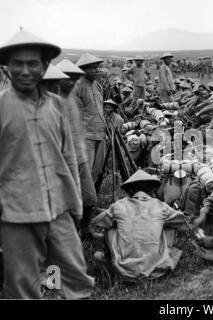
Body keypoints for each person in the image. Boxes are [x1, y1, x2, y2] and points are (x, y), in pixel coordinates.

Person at [0, 28, 94, 299]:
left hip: (59, 209)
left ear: (44, 67)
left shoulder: (56, 106)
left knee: (77, 277)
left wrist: (75, 202)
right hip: (17, 213)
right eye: (17, 64)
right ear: (7, 67)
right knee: (23, 286)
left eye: (33, 63)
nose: (25, 71)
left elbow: (68, 158)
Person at [90, 170, 187, 279]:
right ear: (151, 190)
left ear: (130, 190)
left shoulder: (119, 205)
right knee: (170, 224)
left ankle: (108, 257)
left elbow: (97, 222)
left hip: (125, 269)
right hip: (156, 269)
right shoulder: (161, 206)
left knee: (109, 227)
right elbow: (182, 222)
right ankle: (163, 257)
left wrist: (113, 210)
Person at [56, 58, 98, 234]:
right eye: (67, 77)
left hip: (79, 157)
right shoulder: (52, 101)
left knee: (90, 197)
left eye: (74, 77)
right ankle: (71, 236)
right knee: (67, 202)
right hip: (62, 161)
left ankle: (85, 229)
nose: (71, 81)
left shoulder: (72, 99)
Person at [74, 52, 106, 182]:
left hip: (101, 133)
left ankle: (90, 199)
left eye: (97, 67)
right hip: (86, 136)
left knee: (97, 170)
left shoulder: (97, 85)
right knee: (85, 171)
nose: (96, 70)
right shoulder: (77, 87)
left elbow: (100, 109)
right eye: (91, 68)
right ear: (82, 70)